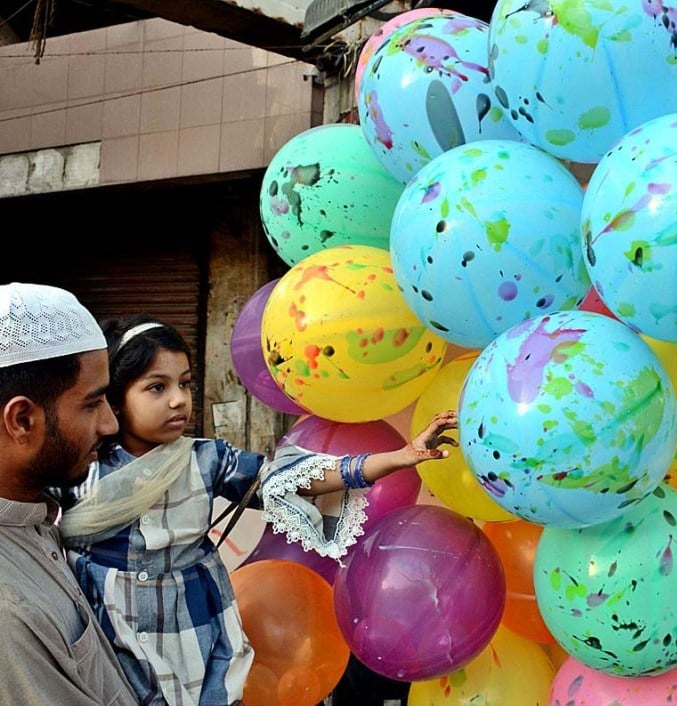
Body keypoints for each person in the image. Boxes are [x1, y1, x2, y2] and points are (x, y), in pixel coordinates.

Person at [56, 313, 458, 706]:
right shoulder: (77, 468)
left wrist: (399, 457)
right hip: (108, 634)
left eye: (185, 384)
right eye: (157, 388)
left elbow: (295, 478)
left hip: (198, 631)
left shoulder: (205, 459)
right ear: (115, 398)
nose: (179, 400)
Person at [0, 282, 140, 705]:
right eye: (92, 402)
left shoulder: (32, 516)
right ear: (22, 419)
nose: (110, 424)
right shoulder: (10, 612)